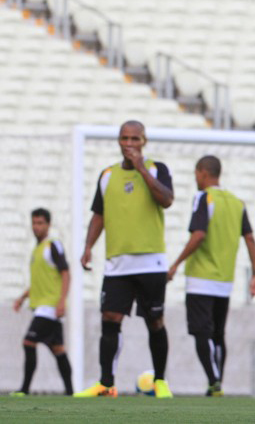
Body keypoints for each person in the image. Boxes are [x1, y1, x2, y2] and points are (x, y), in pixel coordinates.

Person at [75, 120, 174, 399]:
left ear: (144, 142)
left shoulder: (157, 169)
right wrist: (88, 247)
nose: (129, 144)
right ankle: (106, 384)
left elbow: (167, 200)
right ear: (118, 141)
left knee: (155, 321)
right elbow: (99, 214)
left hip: (151, 261)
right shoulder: (107, 175)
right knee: (109, 318)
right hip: (117, 263)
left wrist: (141, 168)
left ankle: (160, 381)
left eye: (135, 139)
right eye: (124, 138)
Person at [167, 155, 255, 397]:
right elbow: (250, 238)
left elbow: (198, 235)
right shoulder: (237, 203)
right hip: (224, 280)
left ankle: (213, 380)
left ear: (202, 172)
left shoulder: (203, 197)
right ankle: (217, 382)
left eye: (196, 174)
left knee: (201, 332)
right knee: (218, 334)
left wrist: (176, 263)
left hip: (201, 278)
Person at [11, 208, 74, 396]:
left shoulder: (53, 245)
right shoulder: (37, 250)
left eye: (40, 223)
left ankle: (24, 390)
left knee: (28, 342)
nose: (36, 227)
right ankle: (70, 392)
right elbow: (41, 281)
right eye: (34, 223)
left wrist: (62, 301)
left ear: (48, 225)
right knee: (58, 349)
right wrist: (23, 297)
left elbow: (65, 273)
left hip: (50, 307)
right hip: (42, 305)